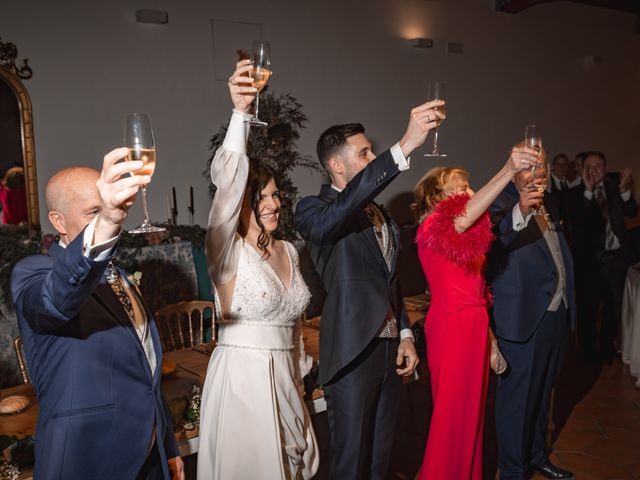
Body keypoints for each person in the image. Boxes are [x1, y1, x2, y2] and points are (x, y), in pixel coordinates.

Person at [10, 157, 184, 479]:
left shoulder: (120, 276)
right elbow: (53, 302)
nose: (113, 221)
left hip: (149, 456)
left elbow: (146, 370)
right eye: (93, 212)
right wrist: (106, 219)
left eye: (110, 209)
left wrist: (167, 448)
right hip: (86, 459)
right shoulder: (33, 273)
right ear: (58, 222)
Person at [294, 99, 441, 479]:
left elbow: (389, 281)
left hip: (389, 349)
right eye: (365, 153)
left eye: (374, 151)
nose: (373, 157)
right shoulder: (313, 211)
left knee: (380, 457)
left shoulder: (382, 215)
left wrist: (406, 334)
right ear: (337, 166)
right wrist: (404, 145)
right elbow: (340, 212)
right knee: (351, 461)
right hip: (352, 354)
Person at [197, 59, 318, 479]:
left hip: (287, 379)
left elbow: (296, 326)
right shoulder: (224, 251)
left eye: (275, 195)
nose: (272, 204)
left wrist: (300, 377)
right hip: (243, 383)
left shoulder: (288, 248)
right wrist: (241, 115)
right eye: (260, 197)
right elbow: (228, 184)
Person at [412, 146, 536, 480]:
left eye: (470, 186)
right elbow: (465, 216)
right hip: (452, 326)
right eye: (462, 187)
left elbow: (476, 289)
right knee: (451, 420)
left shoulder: (464, 235)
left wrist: (491, 341)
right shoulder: (432, 228)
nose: (470, 192)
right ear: (440, 196)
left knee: (473, 419)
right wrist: (508, 169)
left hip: (475, 326)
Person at [486, 146, 575, 480]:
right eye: (530, 166)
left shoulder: (550, 201)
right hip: (521, 317)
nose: (539, 172)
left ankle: (536, 455)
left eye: (544, 165)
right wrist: (519, 210)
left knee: (541, 394)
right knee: (517, 402)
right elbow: (496, 239)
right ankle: (511, 471)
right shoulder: (499, 201)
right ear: (514, 169)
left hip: (555, 312)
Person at [569, 151, 636, 361]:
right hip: (589, 261)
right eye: (589, 166)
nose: (594, 170)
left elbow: (632, 212)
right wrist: (588, 193)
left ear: (606, 169)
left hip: (615, 258)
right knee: (588, 308)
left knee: (612, 307)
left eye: (598, 166)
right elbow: (576, 223)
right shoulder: (574, 193)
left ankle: (607, 346)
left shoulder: (615, 188)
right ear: (582, 169)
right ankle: (588, 352)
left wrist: (625, 192)